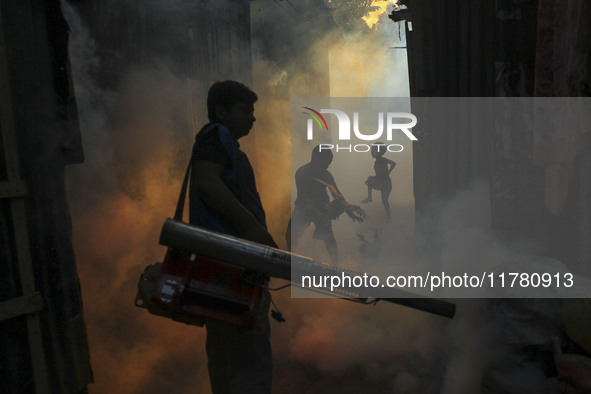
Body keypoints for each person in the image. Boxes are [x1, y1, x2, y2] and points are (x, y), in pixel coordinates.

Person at [189, 80, 276, 394]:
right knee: (247, 359)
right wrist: (253, 228)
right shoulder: (217, 135)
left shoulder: (224, 143)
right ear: (220, 111)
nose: (252, 118)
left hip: (223, 265)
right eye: (244, 110)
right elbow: (207, 183)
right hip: (233, 265)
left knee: (226, 356)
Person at [286, 146, 365, 264]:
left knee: (329, 239)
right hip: (304, 208)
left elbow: (337, 194)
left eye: (329, 163)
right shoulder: (302, 172)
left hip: (322, 207)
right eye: (326, 163)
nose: (327, 166)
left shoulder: (325, 174)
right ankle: (290, 260)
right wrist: (318, 214)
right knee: (290, 234)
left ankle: (335, 265)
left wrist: (347, 207)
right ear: (316, 159)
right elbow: (303, 197)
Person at [361, 142, 396, 222]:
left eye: (373, 150)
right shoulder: (379, 160)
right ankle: (388, 217)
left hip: (384, 181)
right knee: (385, 201)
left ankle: (370, 198)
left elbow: (393, 163)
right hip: (383, 181)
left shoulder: (381, 160)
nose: (371, 152)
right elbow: (393, 164)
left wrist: (389, 172)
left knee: (384, 200)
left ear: (378, 151)